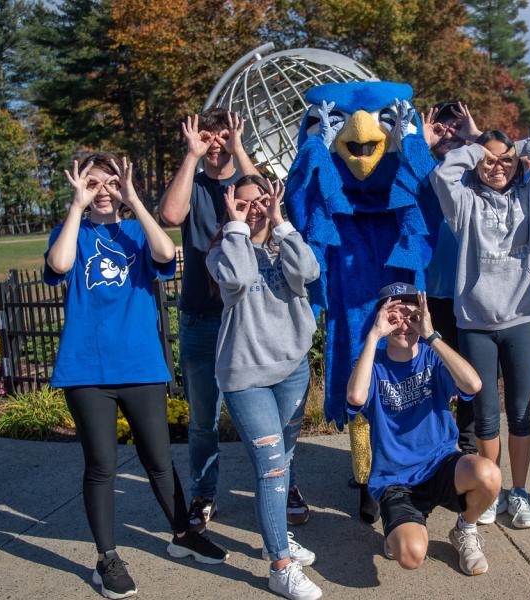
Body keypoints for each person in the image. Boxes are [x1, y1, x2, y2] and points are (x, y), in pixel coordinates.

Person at [45, 153, 228, 599]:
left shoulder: (134, 231)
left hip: (141, 366)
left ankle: (182, 534)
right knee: (102, 465)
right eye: (93, 182)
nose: (102, 190)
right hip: (87, 371)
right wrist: (75, 207)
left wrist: (134, 201)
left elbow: (167, 253)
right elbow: (61, 265)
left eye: (110, 181)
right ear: (79, 185)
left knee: (159, 460)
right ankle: (106, 558)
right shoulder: (72, 230)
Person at [159, 109, 311, 530]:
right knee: (204, 421)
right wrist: (192, 156)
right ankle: (204, 494)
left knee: (277, 423)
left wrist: (239, 147)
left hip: (253, 324)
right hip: (204, 319)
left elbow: (264, 190)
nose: (216, 143)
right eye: (207, 135)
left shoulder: (243, 184)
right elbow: (171, 216)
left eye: (223, 135)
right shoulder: (194, 184)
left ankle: (287, 483)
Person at [431, 131, 530, 529]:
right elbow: (444, 173)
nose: (497, 168)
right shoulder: (464, 202)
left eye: (505, 161)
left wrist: (525, 147)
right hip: (476, 324)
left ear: (518, 163)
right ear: (478, 163)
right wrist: (478, 149)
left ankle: (521, 493)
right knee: (484, 417)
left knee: (520, 412)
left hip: (520, 320)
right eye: (489, 161)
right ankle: (492, 490)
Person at [206, 175, 323, 600]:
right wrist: (236, 226)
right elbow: (236, 281)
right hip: (246, 376)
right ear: (231, 205)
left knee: (285, 460)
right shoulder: (222, 251)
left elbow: (308, 272)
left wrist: (281, 222)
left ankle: (277, 535)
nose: (254, 208)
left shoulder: (283, 244)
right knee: (271, 466)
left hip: (290, 369)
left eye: (261, 200)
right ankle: (279, 567)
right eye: (244, 202)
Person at [346, 284, 500, 576]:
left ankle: (465, 529)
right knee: (411, 555)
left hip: (440, 464)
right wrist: (373, 336)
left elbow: (473, 385)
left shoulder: (432, 358)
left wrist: (431, 335)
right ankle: (404, 527)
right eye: (394, 316)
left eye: (410, 315)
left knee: (488, 474)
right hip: (396, 478)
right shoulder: (373, 365)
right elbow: (355, 398)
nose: (403, 324)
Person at [420, 102, 482, 455]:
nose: (448, 135)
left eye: (455, 129)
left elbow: (516, 162)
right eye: (441, 128)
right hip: (431, 295)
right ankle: (434, 444)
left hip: (470, 293)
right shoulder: (422, 170)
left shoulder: (479, 173)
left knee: (470, 374)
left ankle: (469, 446)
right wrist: (424, 143)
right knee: (431, 374)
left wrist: (474, 138)